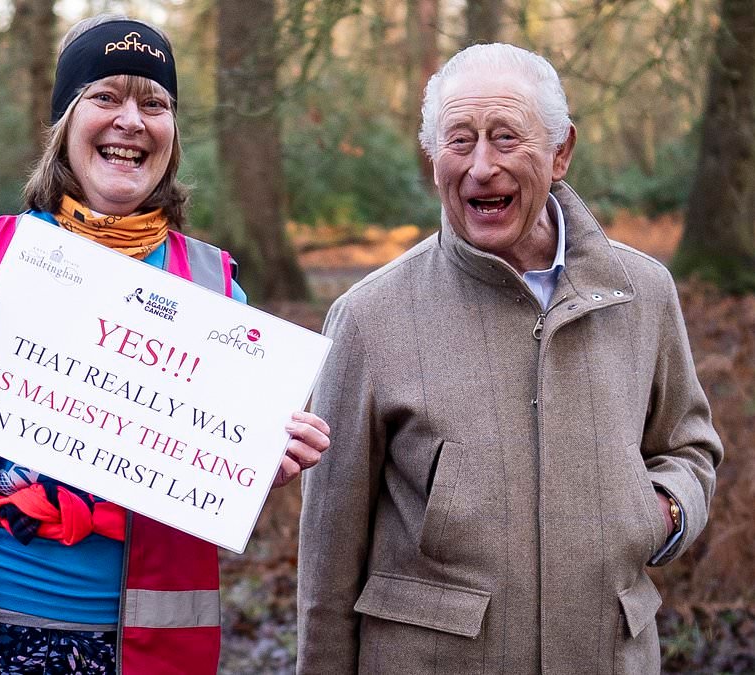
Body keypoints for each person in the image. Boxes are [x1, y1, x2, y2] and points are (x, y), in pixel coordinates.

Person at [0, 15, 330, 675]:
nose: (131, 120)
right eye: (106, 96)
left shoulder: (214, 291)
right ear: (65, 123)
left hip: (135, 653)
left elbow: (214, 472)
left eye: (154, 103)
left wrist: (258, 464)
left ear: (172, 134)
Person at [296, 43, 722, 674]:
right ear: (433, 158)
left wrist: (659, 511)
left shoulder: (643, 292)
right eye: (459, 141)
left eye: (505, 138)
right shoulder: (368, 317)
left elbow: (688, 446)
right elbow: (328, 561)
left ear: (560, 152)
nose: (481, 167)